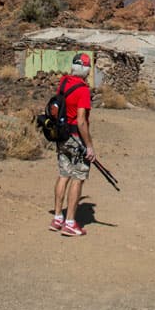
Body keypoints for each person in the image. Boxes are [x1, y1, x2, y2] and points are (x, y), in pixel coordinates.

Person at [49, 53, 96, 237]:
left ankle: (57, 217)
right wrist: (89, 146)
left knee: (63, 175)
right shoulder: (83, 90)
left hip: (62, 136)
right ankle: (70, 222)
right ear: (85, 70)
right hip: (76, 138)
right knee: (78, 177)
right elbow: (81, 120)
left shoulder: (63, 82)